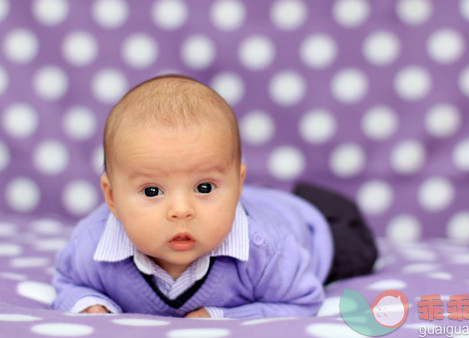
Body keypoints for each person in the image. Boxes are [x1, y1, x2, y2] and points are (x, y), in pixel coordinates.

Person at [52, 75, 377, 318]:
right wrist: (89, 305)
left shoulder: (268, 249)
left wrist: (225, 317)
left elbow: (302, 302)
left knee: (359, 252)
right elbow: (68, 281)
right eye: (152, 191)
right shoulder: (92, 245)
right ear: (111, 198)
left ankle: (293, 199)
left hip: (318, 226)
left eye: (204, 187)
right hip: (256, 204)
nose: (181, 210)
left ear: (237, 185)